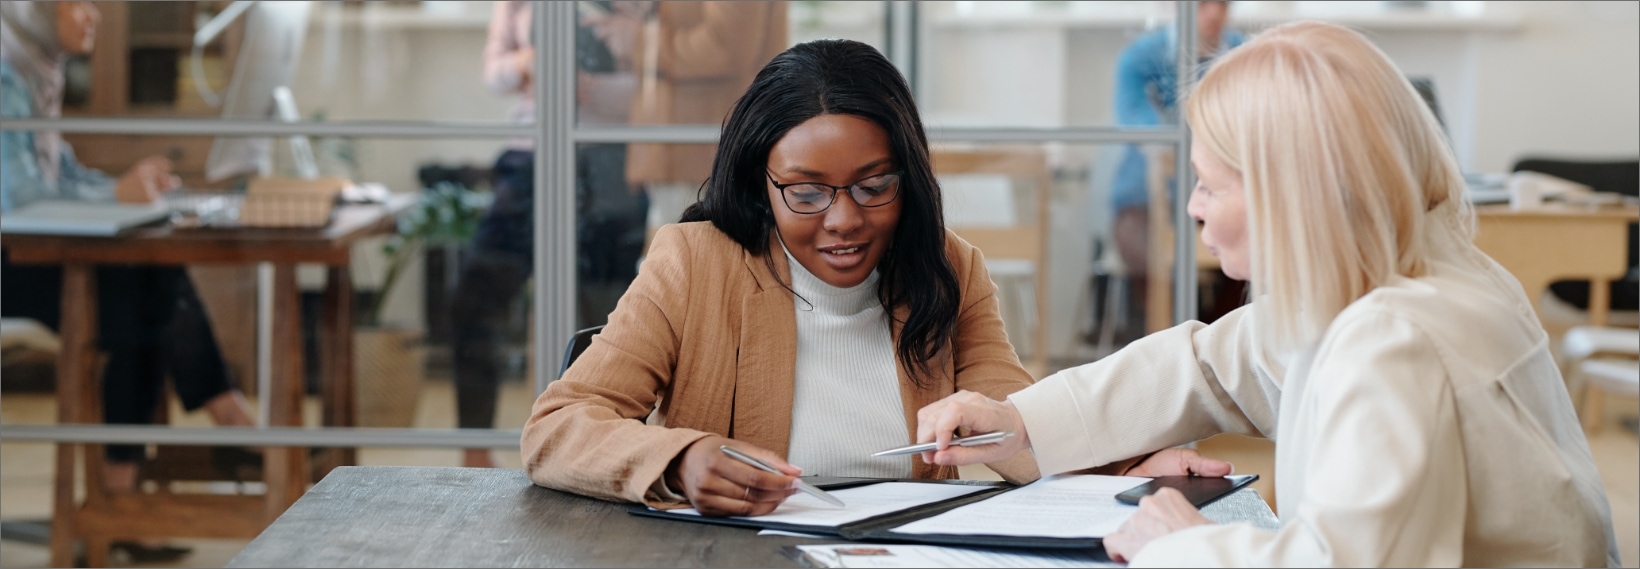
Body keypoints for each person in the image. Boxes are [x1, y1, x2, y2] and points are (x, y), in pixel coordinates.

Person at [913, 22, 1619, 566]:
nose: (1193, 207)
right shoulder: (1424, 276)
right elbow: (1209, 363)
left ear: (1292, 196)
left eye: (1211, 185)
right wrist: (1018, 422)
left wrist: (1181, 542)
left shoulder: (1395, 338)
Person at [520, 39, 1216, 517]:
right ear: (760, 184)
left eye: (874, 185)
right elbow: (555, 430)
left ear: (906, 177)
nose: (844, 220)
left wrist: (1128, 471)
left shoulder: (948, 266)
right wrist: (681, 458)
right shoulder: (692, 262)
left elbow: (1013, 417)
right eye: (807, 192)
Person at [0, 1, 259, 561]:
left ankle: (124, 496)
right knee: (140, 294)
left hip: (34, 252)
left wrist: (124, 187)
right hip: (9, 260)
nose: (94, 15)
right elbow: (16, 199)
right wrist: (115, 196)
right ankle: (215, 423)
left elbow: (61, 174)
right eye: (79, 3)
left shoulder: (35, 68)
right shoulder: (3, 71)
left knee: (149, 278)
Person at [451, 0, 649, 468]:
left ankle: (599, 454)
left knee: (604, 322)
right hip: (530, 158)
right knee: (475, 295)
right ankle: (474, 452)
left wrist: (590, 88)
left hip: (610, 164)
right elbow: (494, 73)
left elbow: (662, 87)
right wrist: (527, 63)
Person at [1107, 0, 1243, 330]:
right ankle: (1165, 343)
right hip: (1146, 199)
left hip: (1222, 192)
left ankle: (1215, 343)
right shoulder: (1139, 59)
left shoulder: (1245, 56)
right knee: (1141, 248)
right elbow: (1145, 132)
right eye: (1203, 4)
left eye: (1223, 3)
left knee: (1250, 239)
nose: (1214, 14)